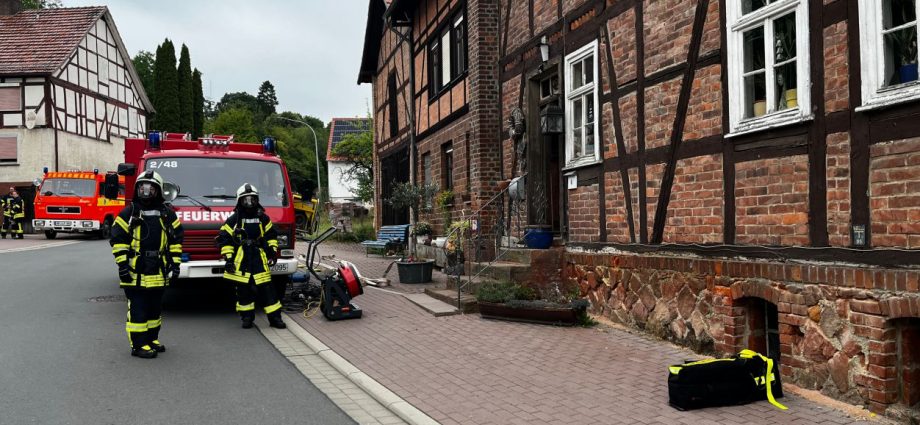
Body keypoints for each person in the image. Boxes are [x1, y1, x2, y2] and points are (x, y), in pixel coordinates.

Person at [110, 171, 184, 359]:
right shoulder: (129, 212)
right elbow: (118, 240)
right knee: (138, 308)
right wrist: (122, 266)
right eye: (142, 187)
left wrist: (175, 265)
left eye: (150, 188)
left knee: (154, 308)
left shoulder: (168, 214)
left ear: (158, 190)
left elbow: (176, 241)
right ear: (137, 189)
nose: (146, 191)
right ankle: (138, 345)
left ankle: (151, 339)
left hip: (158, 269)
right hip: (136, 270)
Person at [217, 183, 286, 329]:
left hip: (259, 258)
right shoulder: (234, 219)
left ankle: (275, 319)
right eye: (245, 200)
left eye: (252, 199)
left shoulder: (263, 218)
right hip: (241, 260)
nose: (249, 203)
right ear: (239, 201)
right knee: (243, 291)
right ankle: (247, 318)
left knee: (268, 290)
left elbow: (271, 236)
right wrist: (228, 259)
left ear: (257, 200)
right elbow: (225, 238)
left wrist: (272, 251)